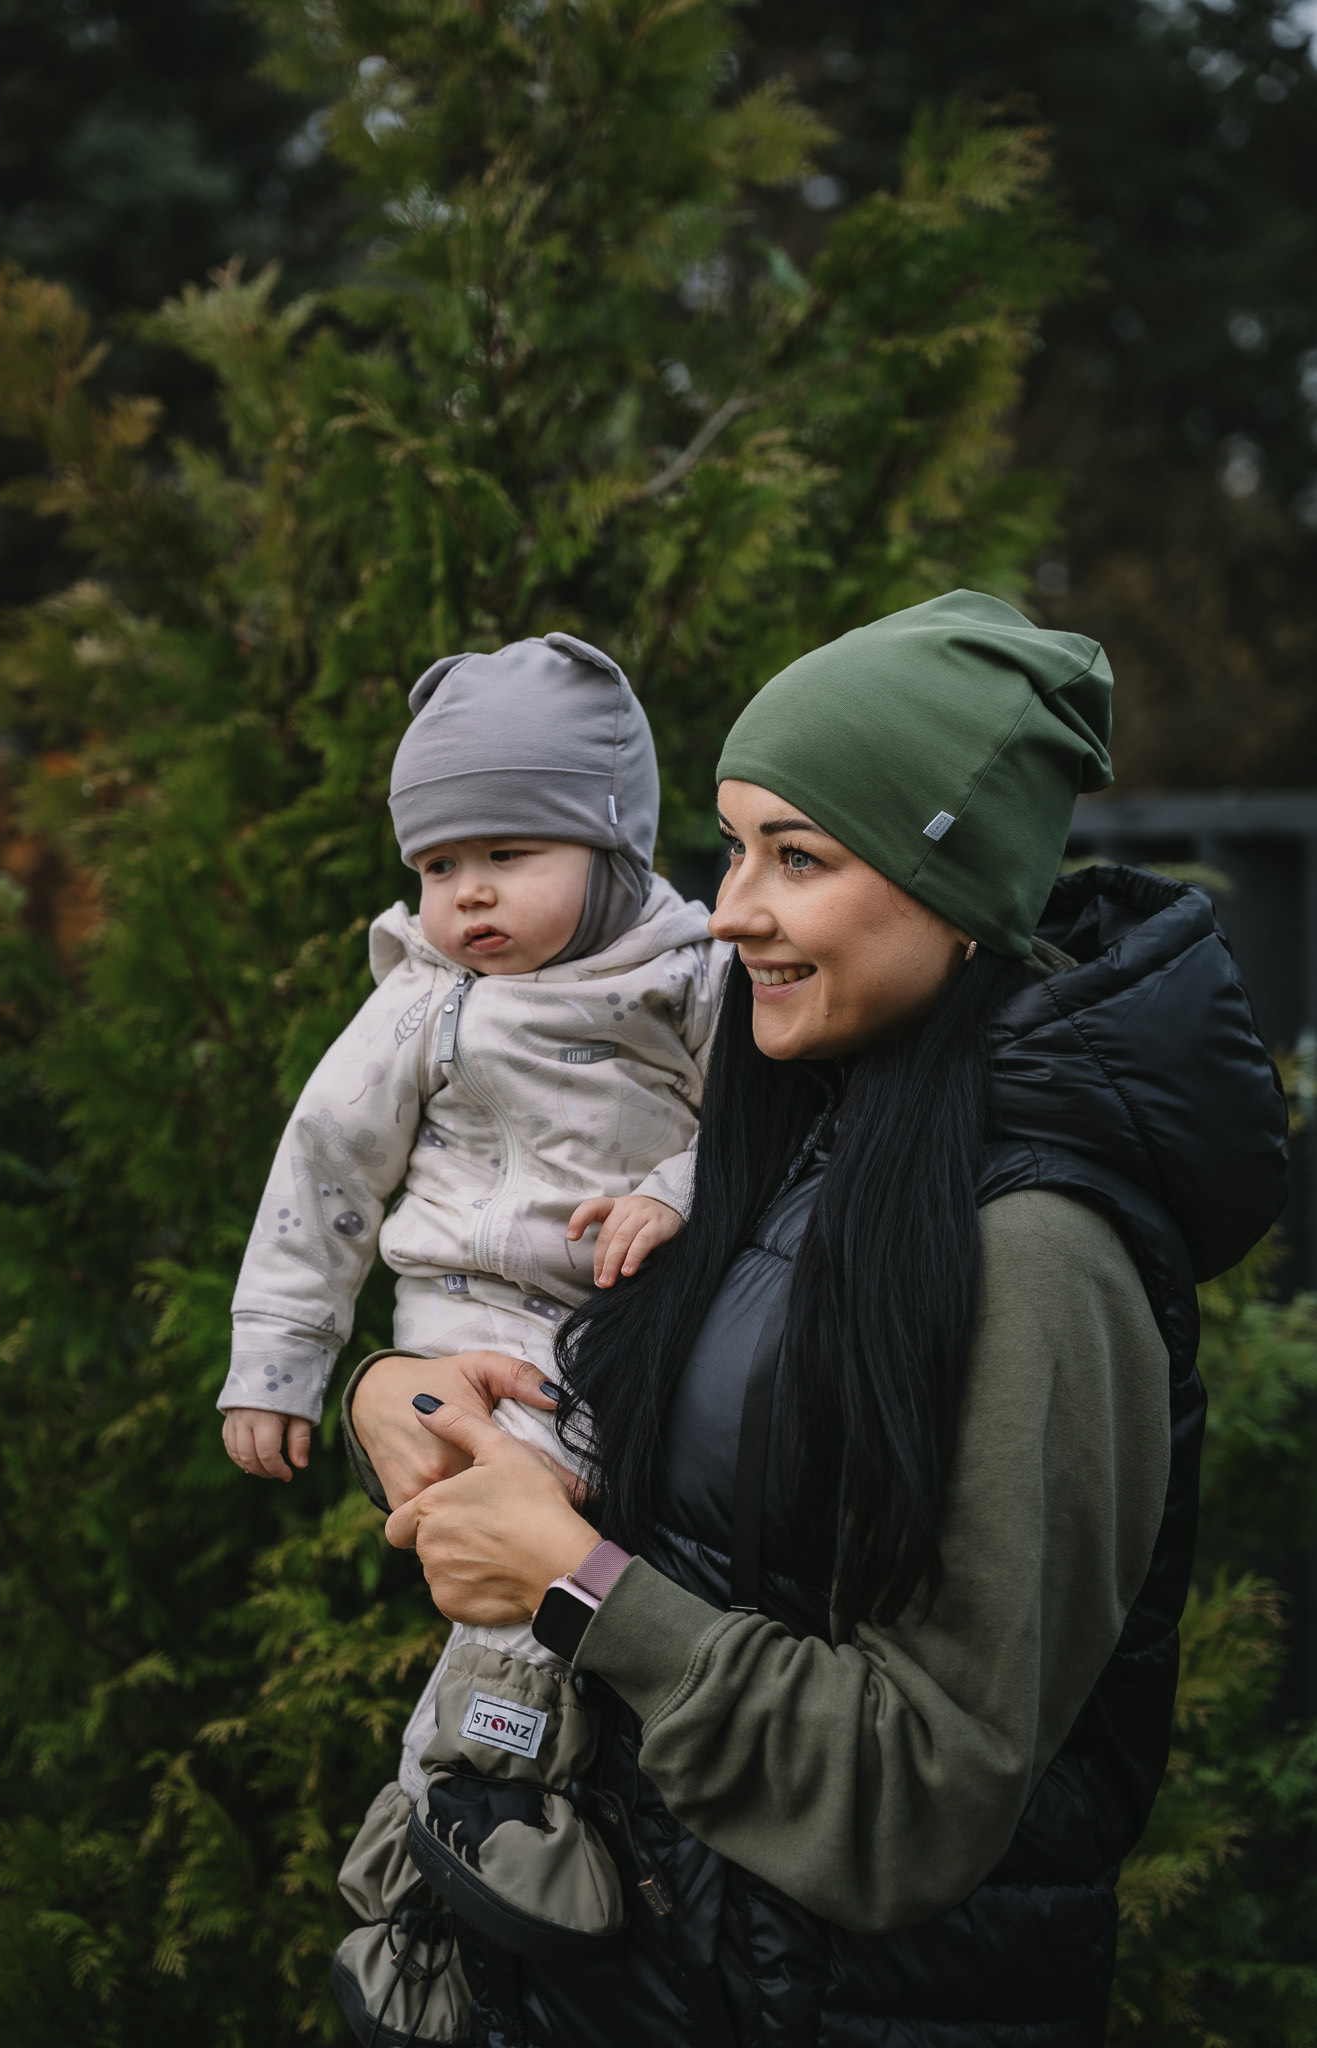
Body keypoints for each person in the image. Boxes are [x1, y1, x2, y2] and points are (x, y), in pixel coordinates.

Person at [342, 591, 1287, 2048]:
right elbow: (662, 1477)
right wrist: (408, 1395)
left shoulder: (1041, 1252)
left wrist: (574, 1586)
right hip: (655, 1984)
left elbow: (920, 1796)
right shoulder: (793, 1133)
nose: (729, 908)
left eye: (799, 856)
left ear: (957, 890)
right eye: (732, 847)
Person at [216, 632, 730, 2006]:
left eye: (509, 852)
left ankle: (442, 1841)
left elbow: (764, 1132)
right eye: (439, 867)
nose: (470, 894)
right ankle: (479, 1800)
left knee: (610, 1561)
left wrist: (674, 1191)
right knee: (522, 1541)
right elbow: (324, 1171)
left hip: (634, 1323)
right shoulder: (425, 1003)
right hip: (473, 1328)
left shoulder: (695, 975)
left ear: (611, 845)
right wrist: (281, 1360)